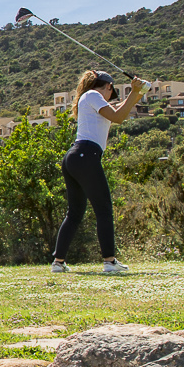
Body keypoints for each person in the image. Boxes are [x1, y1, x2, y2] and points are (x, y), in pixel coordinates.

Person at [52, 69, 144, 275]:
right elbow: (119, 117)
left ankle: (58, 263)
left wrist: (137, 93)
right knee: (103, 209)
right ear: (108, 87)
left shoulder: (91, 100)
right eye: (112, 92)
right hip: (86, 155)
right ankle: (109, 262)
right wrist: (134, 91)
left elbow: (118, 110)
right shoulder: (93, 95)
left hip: (75, 157)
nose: (111, 98)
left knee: (75, 213)